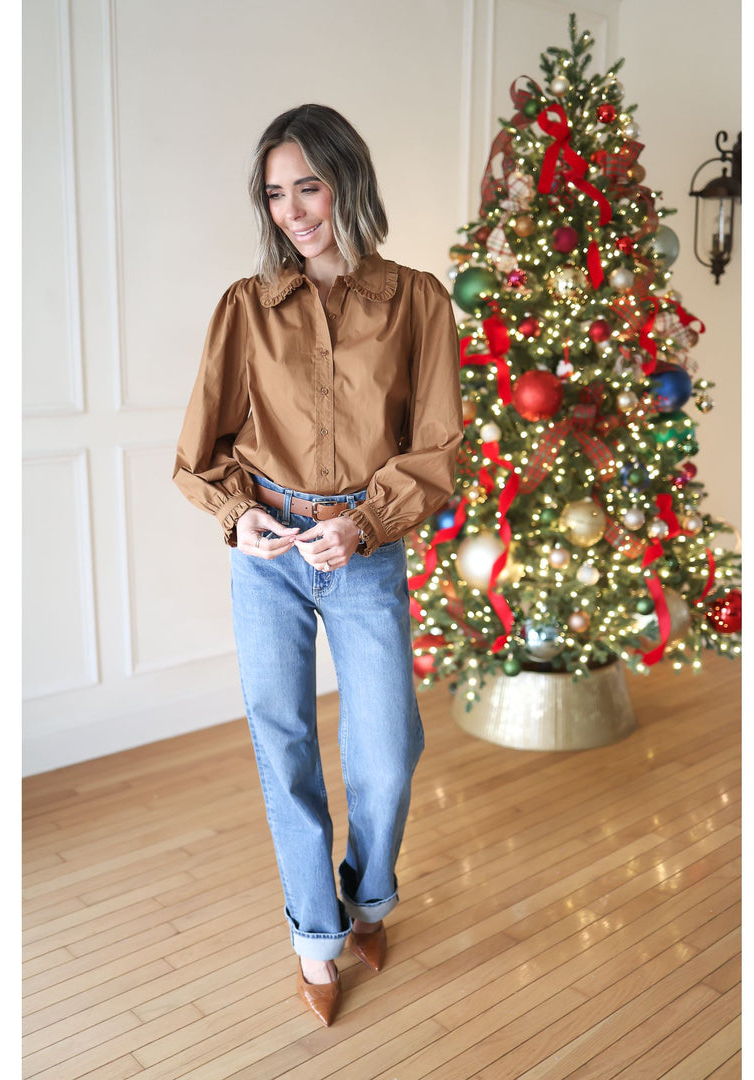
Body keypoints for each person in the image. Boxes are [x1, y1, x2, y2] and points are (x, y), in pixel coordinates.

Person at [172, 103, 463, 1027]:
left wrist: (366, 523)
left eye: (309, 186)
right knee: (283, 741)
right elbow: (197, 453)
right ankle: (314, 932)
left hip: (364, 550)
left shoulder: (417, 300)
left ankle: (369, 899)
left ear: (347, 180)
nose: (293, 211)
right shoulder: (244, 307)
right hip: (269, 553)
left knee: (388, 750)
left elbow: (438, 447)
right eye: (275, 194)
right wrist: (239, 517)